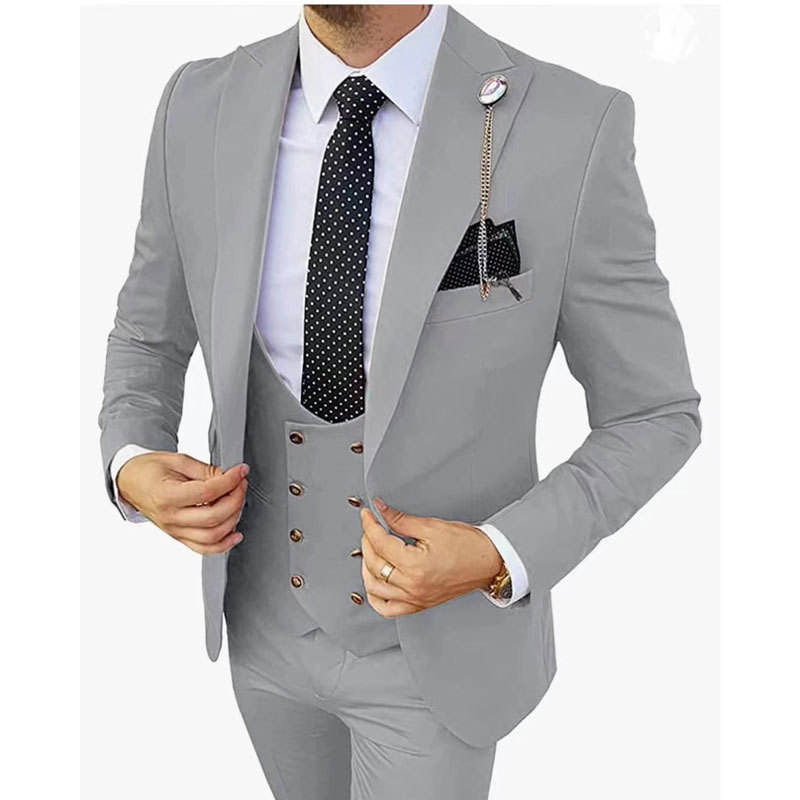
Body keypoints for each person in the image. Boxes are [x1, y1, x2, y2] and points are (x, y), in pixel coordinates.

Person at [99, 5, 701, 798]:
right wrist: (132, 460)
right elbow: (147, 337)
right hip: (261, 634)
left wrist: (498, 553)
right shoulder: (198, 103)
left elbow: (654, 413)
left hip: (438, 656)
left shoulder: (570, 126)